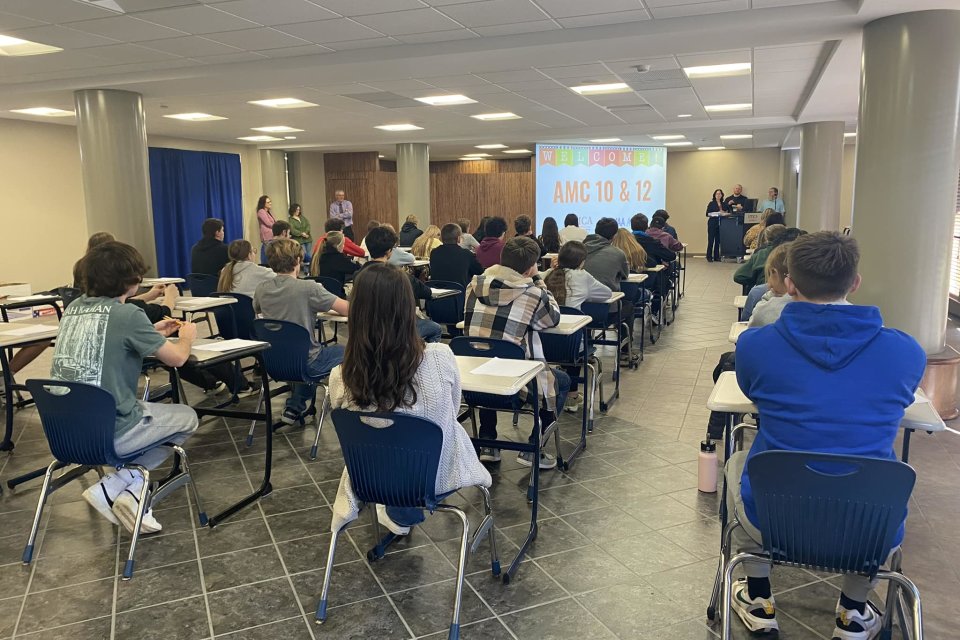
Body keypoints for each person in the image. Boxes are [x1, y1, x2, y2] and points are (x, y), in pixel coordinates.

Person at [728, 232, 925, 639]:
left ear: (790, 285)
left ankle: (760, 598)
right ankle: (853, 611)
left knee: (737, 464)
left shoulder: (755, 347)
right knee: (876, 485)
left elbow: (752, 391)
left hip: (775, 516)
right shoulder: (906, 352)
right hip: (869, 523)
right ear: (855, 282)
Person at [328, 263, 491, 536]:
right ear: (408, 308)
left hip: (372, 479)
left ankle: (398, 510)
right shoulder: (440, 358)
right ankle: (401, 510)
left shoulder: (341, 376)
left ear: (355, 312)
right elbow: (450, 412)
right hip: (439, 474)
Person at [54, 240, 199, 534]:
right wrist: (188, 335)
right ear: (130, 281)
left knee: (147, 411)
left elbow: (109, 341)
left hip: (64, 433)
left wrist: (151, 333)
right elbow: (178, 359)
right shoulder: (128, 314)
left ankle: (124, 488)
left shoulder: (73, 309)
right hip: (109, 433)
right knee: (187, 417)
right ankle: (122, 486)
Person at [465, 237, 569, 469]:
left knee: (489, 360)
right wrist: (538, 282)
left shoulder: (473, 286)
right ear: (531, 266)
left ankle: (489, 441)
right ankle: (534, 448)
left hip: (473, 385)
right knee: (560, 382)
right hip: (513, 388)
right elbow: (552, 318)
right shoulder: (533, 293)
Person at [254, 238, 348, 425]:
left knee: (300, 353)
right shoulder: (308, 288)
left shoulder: (262, 289)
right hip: (306, 362)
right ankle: (355, 408)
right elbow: (347, 309)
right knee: (348, 350)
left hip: (272, 361)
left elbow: (257, 310)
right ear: (298, 260)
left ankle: (294, 406)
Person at [543, 240, 612, 414]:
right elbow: (607, 294)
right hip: (571, 346)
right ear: (581, 261)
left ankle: (555, 389)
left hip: (542, 345)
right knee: (576, 339)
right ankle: (572, 396)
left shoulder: (547, 274)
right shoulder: (583, 277)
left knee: (567, 337)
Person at [362, 226, 442, 343]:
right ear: (389, 251)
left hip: (368, 331)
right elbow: (426, 292)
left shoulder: (359, 275)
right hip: (396, 330)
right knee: (435, 328)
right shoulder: (399, 276)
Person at [746, 244, 791, 327]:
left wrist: (771, 296)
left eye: (769, 274)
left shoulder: (766, 311)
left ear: (775, 273)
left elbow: (753, 323)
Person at [734, 224, 787, 292]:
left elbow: (738, 276)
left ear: (766, 238)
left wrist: (755, 280)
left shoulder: (760, 254)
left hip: (764, 292)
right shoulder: (791, 253)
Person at [429, 223, 483, 287]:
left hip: (438, 294)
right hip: (460, 294)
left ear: (441, 238)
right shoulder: (467, 254)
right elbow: (479, 271)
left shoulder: (434, 253)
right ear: (458, 238)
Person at [705, 189, 730, 262]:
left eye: (720, 194)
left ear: (722, 195)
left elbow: (728, 211)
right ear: (714, 195)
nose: (718, 195)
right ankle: (709, 256)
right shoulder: (711, 203)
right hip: (712, 223)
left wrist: (724, 213)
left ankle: (716, 257)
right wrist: (718, 213)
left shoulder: (724, 203)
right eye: (717, 194)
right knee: (711, 240)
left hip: (721, 223)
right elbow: (707, 214)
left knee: (718, 241)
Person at [256, 195, 276, 263]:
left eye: (270, 201)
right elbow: (268, 223)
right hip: (267, 237)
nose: (270, 203)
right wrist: (277, 226)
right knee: (267, 255)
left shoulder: (268, 212)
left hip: (272, 236)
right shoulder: (261, 211)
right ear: (263, 203)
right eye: (268, 202)